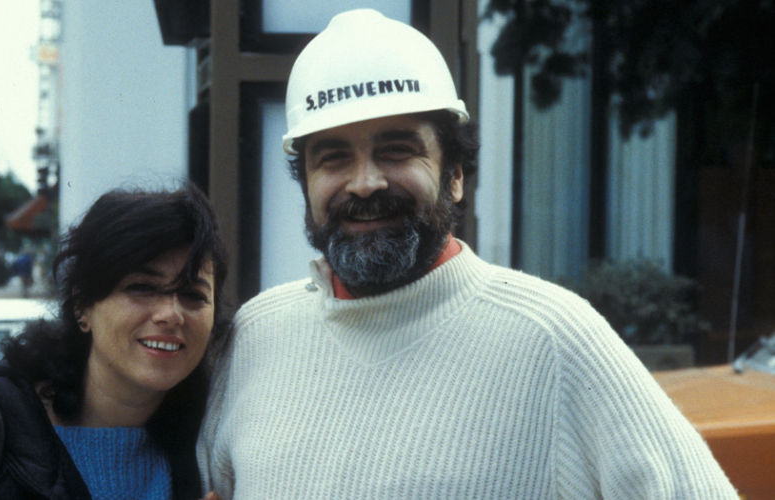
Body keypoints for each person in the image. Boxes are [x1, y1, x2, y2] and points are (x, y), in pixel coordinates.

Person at [196, 9, 736, 499]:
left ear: (454, 175)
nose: (364, 183)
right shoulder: (257, 337)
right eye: (333, 158)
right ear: (307, 185)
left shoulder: (552, 339)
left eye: (396, 149)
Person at [0, 185, 229, 499]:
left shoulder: (219, 450)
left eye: (193, 295)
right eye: (142, 288)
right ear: (83, 305)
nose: (170, 314)